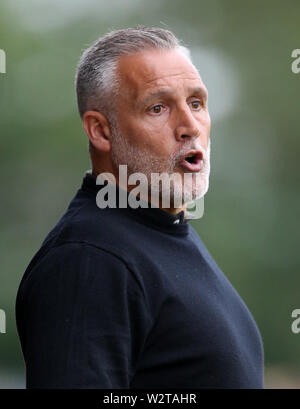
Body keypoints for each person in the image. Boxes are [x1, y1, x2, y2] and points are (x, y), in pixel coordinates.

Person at [15, 26, 264, 388]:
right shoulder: (89, 260)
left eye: (196, 103)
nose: (190, 126)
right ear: (101, 131)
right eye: (158, 107)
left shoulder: (164, 232)